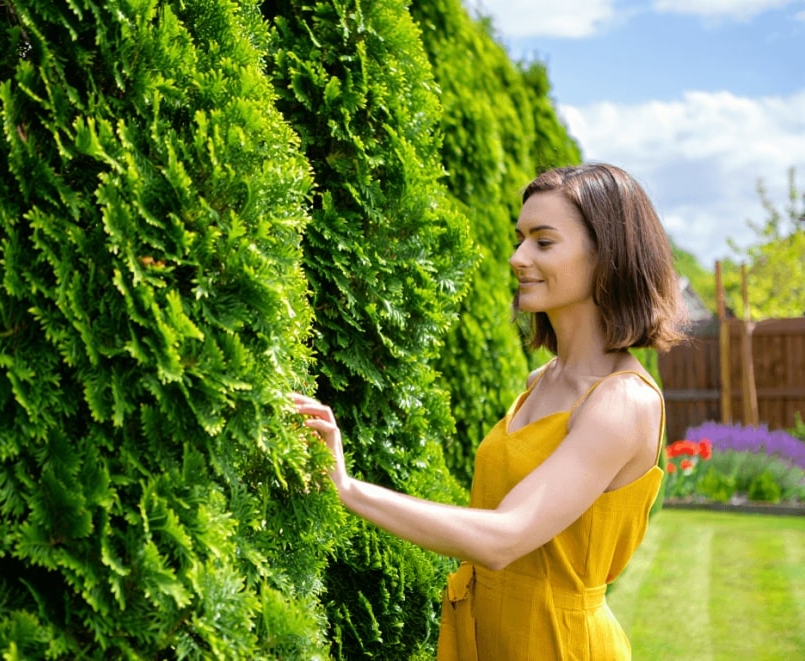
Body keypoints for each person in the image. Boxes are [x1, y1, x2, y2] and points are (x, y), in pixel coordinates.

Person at [292, 163, 686, 660]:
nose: (518, 257)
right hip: (484, 633)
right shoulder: (540, 382)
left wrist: (347, 489)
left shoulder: (622, 402)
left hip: (556, 646)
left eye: (543, 242)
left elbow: (505, 537)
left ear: (607, 256)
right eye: (520, 239)